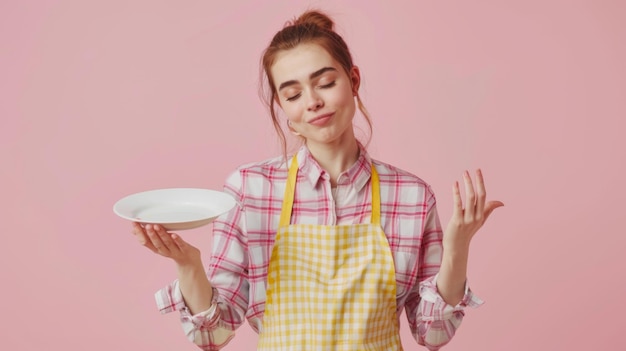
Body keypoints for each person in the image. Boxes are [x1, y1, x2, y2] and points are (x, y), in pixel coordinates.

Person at [131, 9, 503, 351]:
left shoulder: (411, 196)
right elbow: (214, 334)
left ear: (353, 80)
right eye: (293, 94)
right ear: (284, 109)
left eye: (325, 82)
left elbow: (432, 333)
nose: (312, 102)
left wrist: (457, 249)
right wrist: (189, 266)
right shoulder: (249, 190)